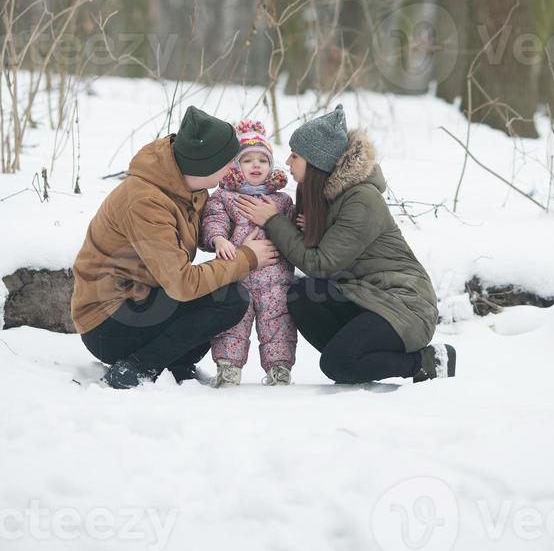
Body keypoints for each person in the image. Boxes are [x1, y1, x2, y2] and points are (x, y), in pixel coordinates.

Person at [234, 104, 456, 386]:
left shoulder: (362, 199)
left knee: (336, 365)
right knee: (300, 295)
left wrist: (275, 221)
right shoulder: (326, 195)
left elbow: (321, 264)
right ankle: (356, 358)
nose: (287, 162)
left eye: (295, 155)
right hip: (364, 296)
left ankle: (423, 362)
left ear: (316, 162)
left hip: (404, 305)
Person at [70, 106, 279, 389]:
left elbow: (208, 228)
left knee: (217, 299)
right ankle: (136, 368)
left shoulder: (186, 184)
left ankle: (175, 364)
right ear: (206, 165)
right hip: (107, 323)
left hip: (144, 297)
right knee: (229, 298)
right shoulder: (146, 201)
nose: (233, 169)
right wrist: (246, 259)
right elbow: (181, 283)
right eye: (228, 162)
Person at [199, 120, 297, 387]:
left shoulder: (283, 201)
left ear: (270, 166)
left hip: (275, 278)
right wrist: (219, 239)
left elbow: (292, 232)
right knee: (232, 324)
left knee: (278, 323)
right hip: (236, 273)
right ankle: (228, 367)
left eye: (263, 160)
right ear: (236, 166)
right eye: (248, 160)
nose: (256, 166)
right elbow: (214, 220)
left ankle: (279, 369)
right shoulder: (224, 197)